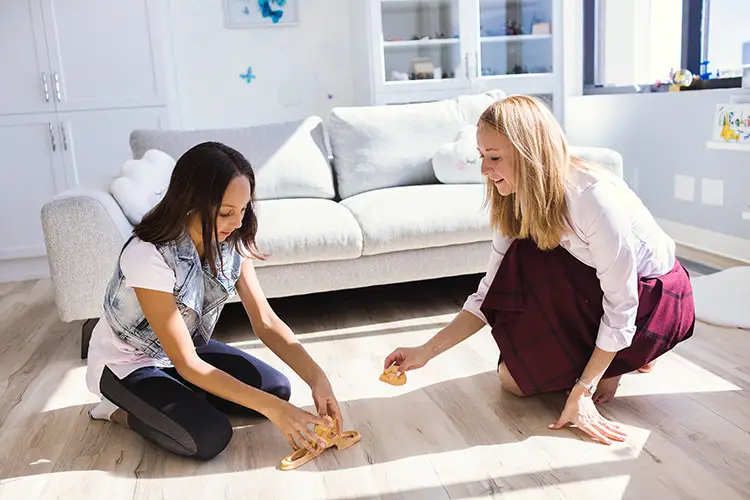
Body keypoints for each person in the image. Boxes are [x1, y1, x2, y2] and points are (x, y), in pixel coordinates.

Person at [384, 95, 695, 445]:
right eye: (482, 157)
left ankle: (627, 356)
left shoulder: (593, 198)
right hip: (592, 283)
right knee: (511, 381)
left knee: (530, 368)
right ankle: (620, 359)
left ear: (530, 152)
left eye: (495, 158)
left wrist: (583, 391)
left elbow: (623, 303)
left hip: (654, 300)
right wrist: (426, 351)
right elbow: (489, 292)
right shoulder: (515, 199)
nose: (484, 170)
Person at [85, 142, 342, 460]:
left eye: (244, 209)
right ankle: (116, 410)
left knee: (276, 389)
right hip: (128, 362)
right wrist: (278, 412)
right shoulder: (148, 254)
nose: (237, 223)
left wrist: (318, 378)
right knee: (208, 436)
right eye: (225, 212)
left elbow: (265, 321)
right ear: (191, 203)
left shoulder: (231, 239)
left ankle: (178, 397)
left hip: (185, 349)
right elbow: (187, 364)